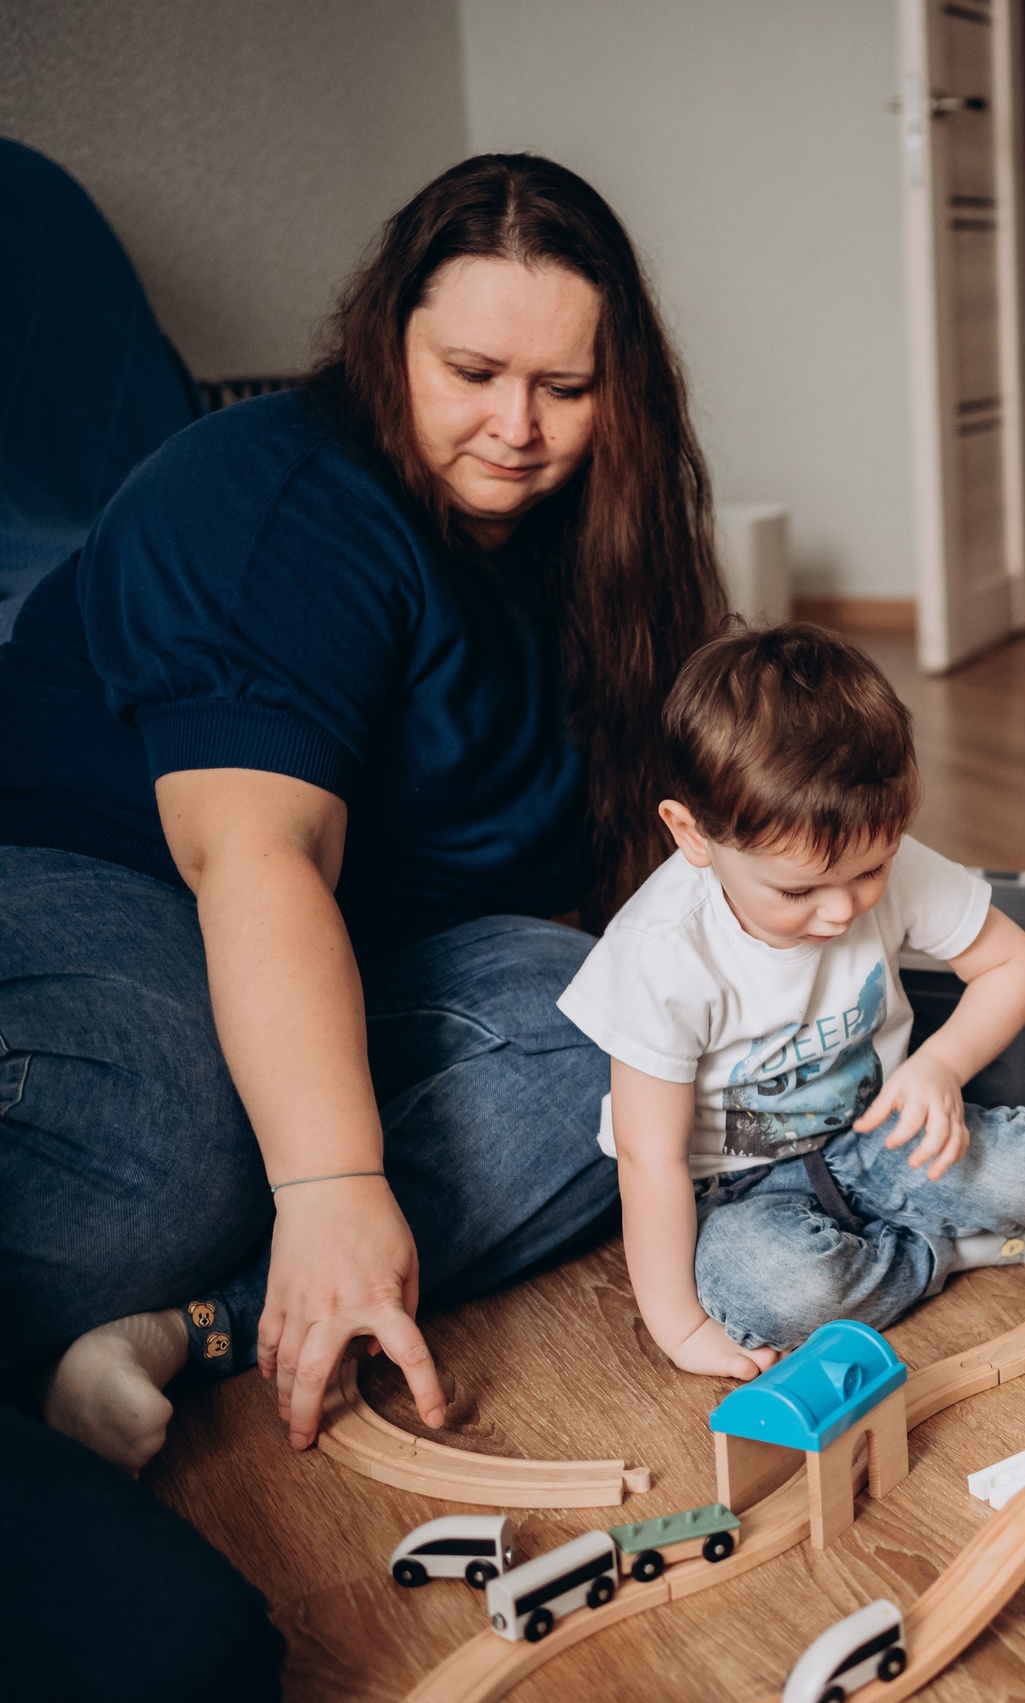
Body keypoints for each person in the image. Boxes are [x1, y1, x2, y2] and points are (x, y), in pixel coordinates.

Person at [0, 154, 723, 1474]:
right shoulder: (270, 498)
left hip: (370, 928)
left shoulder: (598, 541)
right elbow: (258, 856)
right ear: (389, 339)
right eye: (471, 374)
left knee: (632, 1056)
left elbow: (661, 846)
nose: (516, 427)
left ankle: (193, 1324)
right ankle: (273, 1223)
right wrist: (331, 1177)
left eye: (565, 389)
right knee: (190, 1138)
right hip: (104, 875)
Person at [557, 623, 1025, 1376]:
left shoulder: (876, 855)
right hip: (739, 1192)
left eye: (870, 873)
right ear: (693, 834)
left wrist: (940, 1067)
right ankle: (948, 1248)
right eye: (798, 889)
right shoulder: (660, 952)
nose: (840, 912)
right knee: (772, 1291)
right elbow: (650, 1158)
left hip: (883, 1131)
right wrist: (678, 1327)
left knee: (1017, 1167)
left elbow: (1011, 962)